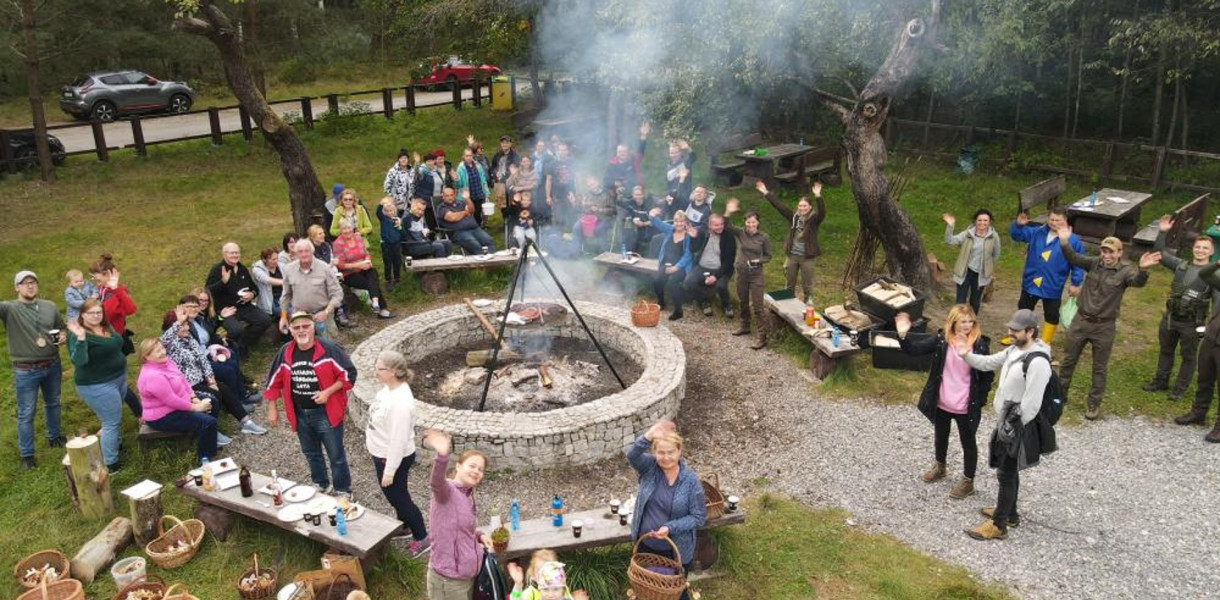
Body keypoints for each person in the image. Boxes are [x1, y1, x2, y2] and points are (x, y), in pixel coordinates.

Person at [958, 309, 1055, 541]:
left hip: (1017, 425)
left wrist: (1013, 428)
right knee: (1007, 470)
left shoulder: (1038, 362)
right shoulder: (1015, 350)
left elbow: (1032, 403)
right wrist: (966, 355)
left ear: (1030, 332)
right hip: (1007, 421)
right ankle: (1010, 513)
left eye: (1015, 330)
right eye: (1010, 328)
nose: (1010, 332)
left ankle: (998, 525)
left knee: (1007, 472)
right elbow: (990, 362)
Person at [895, 306, 994, 499]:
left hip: (966, 404)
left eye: (970, 321)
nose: (967, 325)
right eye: (963, 321)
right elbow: (914, 350)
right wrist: (902, 334)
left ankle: (968, 481)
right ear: (953, 322)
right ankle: (940, 467)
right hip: (943, 401)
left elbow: (987, 374)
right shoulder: (942, 340)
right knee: (940, 436)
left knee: (968, 442)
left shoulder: (979, 345)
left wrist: (980, 399)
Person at [1056, 232, 1156, 420]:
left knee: (1099, 368)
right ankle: (1060, 396)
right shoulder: (1094, 263)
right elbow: (1073, 257)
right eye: (1104, 251)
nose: (1106, 256)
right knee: (1068, 361)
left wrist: (1143, 270)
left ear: (1120, 253)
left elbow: (1137, 283)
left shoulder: (1125, 271)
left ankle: (1093, 405)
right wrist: (1063, 241)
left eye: (1111, 252)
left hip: (1104, 327)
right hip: (1081, 321)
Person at [264, 312, 356, 497]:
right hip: (299, 412)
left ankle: (343, 490)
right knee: (311, 452)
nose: (301, 331)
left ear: (313, 327)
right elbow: (274, 381)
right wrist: (272, 408)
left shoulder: (329, 349)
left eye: (305, 326)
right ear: (290, 330)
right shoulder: (285, 352)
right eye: (296, 327)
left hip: (325, 412)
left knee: (336, 455)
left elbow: (349, 374)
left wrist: (328, 392)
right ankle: (321, 483)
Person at [627, 420, 707, 600]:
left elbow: (699, 517)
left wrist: (670, 527)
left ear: (679, 451)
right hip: (645, 545)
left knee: (673, 592)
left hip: (676, 550)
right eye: (660, 452)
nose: (665, 457)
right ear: (655, 453)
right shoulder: (650, 468)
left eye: (670, 452)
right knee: (646, 588)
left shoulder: (690, 481)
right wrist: (649, 435)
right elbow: (632, 455)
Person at [161, 304, 266, 437]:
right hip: (185, 387)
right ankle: (212, 432)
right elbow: (164, 340)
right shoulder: (171, 344)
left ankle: (247, 423)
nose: (187, 328)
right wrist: (178, 323)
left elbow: (203, 361)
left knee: (223, 389)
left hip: (200, 380)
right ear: (173, 327)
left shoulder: (189, 339)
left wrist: (211, 380)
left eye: (187, 324)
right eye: (183, 325)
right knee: (213, 397)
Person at [1144, 215, 1218, 400]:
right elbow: (1160, 252)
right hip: (1171, 318)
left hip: (1192, 323)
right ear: (1192, 249)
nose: (1200, 250)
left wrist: (1210, 326)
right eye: (1198, 247)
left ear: (1212, 251)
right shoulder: (1180, 265)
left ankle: (1180, 389)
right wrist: (1162, 232)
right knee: (1166, 350)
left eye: (1205, 248)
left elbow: (1217, 302)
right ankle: (1160, 381)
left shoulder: (1213, 275)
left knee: (1188, 356)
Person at [366, 349, 429, 557]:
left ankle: (422, 537)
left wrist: (390, 471)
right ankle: (404, 525)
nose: (376, 372)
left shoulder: (401, 403)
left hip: (392, 457)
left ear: (393, 371)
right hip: (382, 452)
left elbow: (398, 441)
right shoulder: (387, 389)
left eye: (380, 369)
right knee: (396, 494)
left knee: (398, 497)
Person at [2, 270, 67, 470]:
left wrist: (63, 336)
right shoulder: (9, 308)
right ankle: (27, 455)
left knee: (53, 403)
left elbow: (61, 327)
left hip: (52, 364)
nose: (30, 286)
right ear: (17, 287)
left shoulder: (50, 306)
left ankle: (54, 437)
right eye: (25, 283)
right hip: (25, 370)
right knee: (26, 412)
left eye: (33, 282)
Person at [422, 428, 493, 600]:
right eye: (472, 466)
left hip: (466, 576)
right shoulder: (446, 491)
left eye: (480, 469)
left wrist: (479, 536)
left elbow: (460, 530)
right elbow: (436, 482)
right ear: (458, 466)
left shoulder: (467, 494)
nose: (476, 471)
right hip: (448, 581)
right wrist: (442, 455)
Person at [66, 298, 128, 472]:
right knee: (111, 422)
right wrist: (80, 338)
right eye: (90, 313)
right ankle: (111, 463)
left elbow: (117, 344)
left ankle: (115, 443)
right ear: (82, 315)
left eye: (98, 312)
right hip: (97, 384)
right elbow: (79, 361)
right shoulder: (77, 333)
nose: (95, 316)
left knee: (114, 415)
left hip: (119, 377)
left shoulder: (106, 327)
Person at [1007, 207, 1084, 344]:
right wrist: (1018, 225)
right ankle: (1018, 336)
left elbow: (1078, 263)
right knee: (1023, 309)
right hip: (1030, 282)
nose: (1054, 223)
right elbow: (1017, 235)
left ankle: (1045, 342)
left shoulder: (1073, 240)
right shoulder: (1037, 232)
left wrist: (1075, 283)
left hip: (1053, 284)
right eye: (1052, 219)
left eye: (1058, 220)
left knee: (1051, 314)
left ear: (1065, 220)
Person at [135, 338, 219, 462]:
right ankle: (205, 457)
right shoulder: (152, 376)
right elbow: (171, 400)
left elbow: (182, 379)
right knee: (209, 422)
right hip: (162, 416)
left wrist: (193, 397)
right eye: (158, 351)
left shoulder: (166, 362)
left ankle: (211, 438)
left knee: (212, 401)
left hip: (179, 403)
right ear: (147, 356)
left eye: (162, 348)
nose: (163, 352)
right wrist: (196, 407)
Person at [756, 180, 827, 302]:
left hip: (807, 257)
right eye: (800, 206)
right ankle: (788, 306)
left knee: (807, 286)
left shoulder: (814, 220)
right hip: (792, 256)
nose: (802, 208)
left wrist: (818, 196)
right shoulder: (794, 217)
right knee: (789, 285)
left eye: (805, 206)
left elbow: (822, 212)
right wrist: (766, 193)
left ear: (810, 207)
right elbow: (780, 206)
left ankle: (807, 307)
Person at [89, 253, 141, 417]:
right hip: (99, 341)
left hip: (113, 343)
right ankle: (136, 414)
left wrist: (115, 288)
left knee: (111, 381)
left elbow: (131, 309)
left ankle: (129, 415)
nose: (96, 283)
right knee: (109, 381)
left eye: (97, 279)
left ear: (108, 275)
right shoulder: (100, 290)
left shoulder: (118, 292)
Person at [1176, 260, 1220, 442]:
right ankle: (1198, 413)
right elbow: (1204, 275)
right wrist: (1217, 263)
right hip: (1210, 339)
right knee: (1204, 378)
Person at [206, 242, 273, 357]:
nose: (235, 255)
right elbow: (207, 291)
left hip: (245, 306)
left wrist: (252, 294)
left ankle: (242, 344)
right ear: (224, 254)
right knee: (236, 330)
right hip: (226, 310)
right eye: (232, 253)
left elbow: (254, 287)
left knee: (265, 320)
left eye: (237, 252)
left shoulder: (242, 269)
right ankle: (231, 345)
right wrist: (223, 282)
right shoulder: (217, 270)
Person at [724, 198, 773, 350]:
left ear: (758, 223)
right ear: (745, 222)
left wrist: (759, 260)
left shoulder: (764, 237)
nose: (751, 225)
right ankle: (744, 326)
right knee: (743, 301)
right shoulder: (740, 233)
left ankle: (762, 336)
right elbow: (726, 225)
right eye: (748, 222)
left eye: (753, 222)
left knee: (758, 306)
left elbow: (768, 256)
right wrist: (728, 212)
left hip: (756, 274)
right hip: (741, 273)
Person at [280, 239, 346, 336]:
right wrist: (283, 317)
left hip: (322, 315)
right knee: (304, 347)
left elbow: (337, 293)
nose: (304, 254)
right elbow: (286, 295)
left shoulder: (324, 268)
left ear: (312, 251)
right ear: (296, 254)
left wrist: (326, 311)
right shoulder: (289, 269)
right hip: (300, 316)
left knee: (327, 346)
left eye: (306, 251)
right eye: (300, 251)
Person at [943, 209, 1001, 315]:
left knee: (975, 302)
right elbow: (949, 241)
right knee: (960, 302)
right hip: (965, 272)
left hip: (980, 274)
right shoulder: (968, 234)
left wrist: (987, 267)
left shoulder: (994, 237)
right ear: (975, 221)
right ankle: (957, 323)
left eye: (985, 220)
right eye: (979, 220)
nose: (982, 223)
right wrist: (950, 226)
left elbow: (996, 254)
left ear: (989, 222)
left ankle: (972, 325)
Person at [334, 222, 395, 319]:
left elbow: (366, 253)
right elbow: (340, 265)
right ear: (340, 230)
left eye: (349, 228)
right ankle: (381, 309)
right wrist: (358, 265)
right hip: (349, 274)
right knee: (372, 283)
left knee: (373, 272)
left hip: (363, 268)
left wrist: (367, 261)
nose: (347, 231)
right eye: (344, 229)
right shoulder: (338, 243)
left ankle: (375, 302)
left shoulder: (358, 237)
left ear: (352, 228)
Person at [684, 213, 736, 318]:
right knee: (689, 281)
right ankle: (704, 301)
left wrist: (715, 276)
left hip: (721, 269)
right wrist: (694, 238)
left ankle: (727, 305)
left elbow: (729, 261)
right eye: (716, 225)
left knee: (721, 286)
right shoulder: (703, 234)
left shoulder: (728, 236)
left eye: (721, 224)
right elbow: (693, 249)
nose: (720, 227)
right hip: (702, 267)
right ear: (709, 225)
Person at [646, 208, 693, 320]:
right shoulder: (670, 230)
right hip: (666, 263)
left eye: (682, 221)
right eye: (676, 221)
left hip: (681, 266)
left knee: (673, 282)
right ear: (674, 222)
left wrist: (676, 267)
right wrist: (651, 215)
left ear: (686, 223)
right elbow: (658, 223)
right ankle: (661, 303)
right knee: (657, 280)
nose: (679, 224)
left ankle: (678, 311)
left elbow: (688, 256)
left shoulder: (689, 236)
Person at [506, 551, 590, 600]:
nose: (551, 595)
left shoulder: (561, 587)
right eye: (541, 571)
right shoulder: (531, 593)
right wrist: (518, 584)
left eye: (550, 570)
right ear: (533, 575)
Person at [438, 186, 496, 255]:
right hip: (459, 232)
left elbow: (471, 210)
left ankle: (492, 259)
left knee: (488, 240)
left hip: (474, 228)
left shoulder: (460, 203)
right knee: (475, 244)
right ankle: (482, 262)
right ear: (443, 196)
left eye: (451, 195)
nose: (450, 197)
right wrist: (465, 212)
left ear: (454, 195)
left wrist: (467, 199)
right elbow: (452, 217)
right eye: (447, 196)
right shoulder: (442, 207)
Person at [603, 122, 649, 191]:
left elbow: (641, 150)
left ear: (628, 152)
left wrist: (643, 135)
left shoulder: (633, 160)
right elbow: (606, 181)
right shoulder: (612, 165)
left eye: (624, 151)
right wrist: (615, 183)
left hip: (634, 192)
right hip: (617, 193)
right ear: (616, 153)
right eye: (620, 152)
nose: (622, 154)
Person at [455, 147, 491, 225]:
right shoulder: (460, 168)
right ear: (463, 156)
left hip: (479, 193)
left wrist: (486, 191)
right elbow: (459, 185)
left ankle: (479, 226)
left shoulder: (478, 165)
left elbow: (483, 179)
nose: (469, 158)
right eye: (467, 156)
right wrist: (456, 179)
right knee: (470, 213)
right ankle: (473, 228)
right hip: (469, 196)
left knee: (478, 212)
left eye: (470, 156)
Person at [376, 197, 406, 291]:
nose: (389, 213)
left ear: (394, 211)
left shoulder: (397, 220)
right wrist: (381, 203)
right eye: (387, 211)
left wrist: (399, 227)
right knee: (388, 263)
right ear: (384, 212)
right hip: (386, 244)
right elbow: (378, 212)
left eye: (391, 211)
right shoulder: (383, 219)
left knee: (397, 261)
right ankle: (388, 280)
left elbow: (403, 234)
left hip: (396, 244)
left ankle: (397, 278)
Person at [617, 185, 656, 254]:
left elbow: (655, 221)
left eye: (639, 195)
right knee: (625, 227)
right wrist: (619, 194)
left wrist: (643, 223)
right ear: (632, 195)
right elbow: (619, 203)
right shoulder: (630, 203)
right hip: (635, 226)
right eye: (636, 195)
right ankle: (626, 252)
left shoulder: (649, 204)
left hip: (647, 228)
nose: (638, 197)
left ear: (643, 195)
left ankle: (632, 252)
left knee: (633, 234)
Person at [545, 142, 576, 228]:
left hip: (570, 194)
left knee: (572, 216)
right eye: (561, 150)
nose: (563, 152)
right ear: (557, 151)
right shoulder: (552, 164)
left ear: (567, 151)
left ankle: (573, 237)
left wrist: (577, 194)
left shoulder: (572, 162)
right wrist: (548, 196)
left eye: (564, 150)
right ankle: (559, 238)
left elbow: (578, 178)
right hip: (557, 195)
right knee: (559, 218)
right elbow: (548, 180)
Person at [489, 135, 520, 211]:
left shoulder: (515, 156)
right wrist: (494, 174)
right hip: (498, 183)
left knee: (512, 204)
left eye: (506, 143)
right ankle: (505, 220)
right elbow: (492, 167)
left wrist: (504, 177)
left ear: (510, 144)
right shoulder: (497, 155)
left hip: (509, 183)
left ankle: (511, 220)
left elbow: (516, 170)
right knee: (501, 205)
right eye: (503, 143)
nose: (504, 144)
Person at [416, 153, 447, 228]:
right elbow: (417, 173)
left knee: (436, 222)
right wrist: (417, 163)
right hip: (426, 202)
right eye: (428, 161)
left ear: (434, 161)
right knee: (428, 223)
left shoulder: (436, 171)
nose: (430, 163)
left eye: (431, 160)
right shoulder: (423, 171)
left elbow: (441, 183)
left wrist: (443, 192)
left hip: (436, 201)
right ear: (425, 162)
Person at [383, 149, 417, 215]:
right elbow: (386, 186)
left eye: (405, 158)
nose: (403, 160)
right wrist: (391, 197)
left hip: (410, 203)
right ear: (398, 159)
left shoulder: (412, 171)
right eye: (401, 158)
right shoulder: (393, 171)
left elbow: (415, 182)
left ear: (408, 160)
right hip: (397, 204)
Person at [252, 247, 283, 317]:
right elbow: (266, 280)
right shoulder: (257, 269)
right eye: (273, 259)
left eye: (277, 258)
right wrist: (283, 282)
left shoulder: (281, 266)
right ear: (264, 260)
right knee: (282, 312)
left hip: (283, 296)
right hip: (270, 299)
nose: (276, 261)